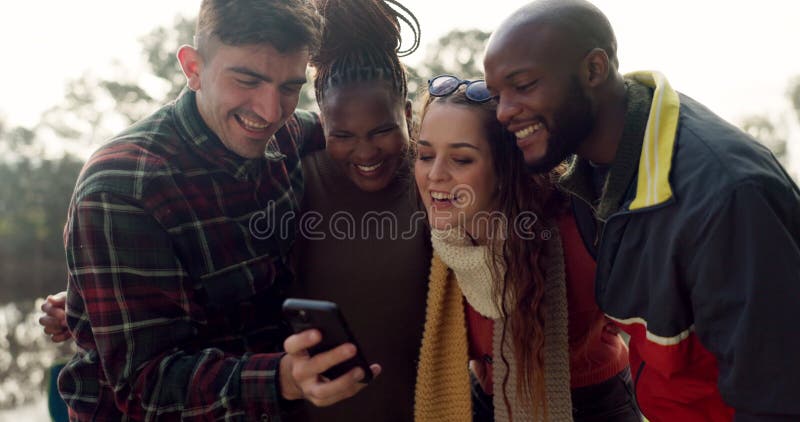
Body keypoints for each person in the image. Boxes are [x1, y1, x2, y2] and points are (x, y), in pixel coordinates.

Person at [56, 1, 381, 420]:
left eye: (289, 88)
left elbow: (356, 133)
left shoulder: (290, 133)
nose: (270, 112)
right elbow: (145, 386)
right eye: (247, 80)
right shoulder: (121, 188)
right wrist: (282, 378)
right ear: (193, 68)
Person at [483, 1, 800, 420]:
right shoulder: (590, 176)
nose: (503, 111)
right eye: (496, 95)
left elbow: (776, 400)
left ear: (594, 70)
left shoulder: (726, 195)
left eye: (523, 86)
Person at [412, 78, 639, 421]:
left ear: (504, 167)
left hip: (595, 404)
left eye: (460, 159)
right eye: (426, 155)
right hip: (487, 401)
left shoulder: (576, 227)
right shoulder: (434, 244)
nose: (435, 175)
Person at [287, 0, 430, 420]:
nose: (366, 152)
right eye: (344, 135)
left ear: (406, 115)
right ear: (321, 125)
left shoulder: (429, 183)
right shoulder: (297, 182)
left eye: (383, 130)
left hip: (424, 408)